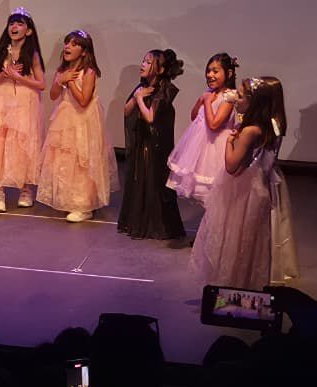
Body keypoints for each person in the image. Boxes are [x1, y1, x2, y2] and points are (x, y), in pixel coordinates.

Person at [191, 76, 299, 287]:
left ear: (254, 102)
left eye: (240, 96)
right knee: (253, 237)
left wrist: (230, 141)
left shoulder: (250, 131)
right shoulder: (275, 124)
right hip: (264, 183)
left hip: (244, 187)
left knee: (236, 235)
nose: (235, 99)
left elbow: (232, 166)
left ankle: (232, 281)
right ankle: (250, 281)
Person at [36, 30, 116, 222]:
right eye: (67, 43)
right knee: (65, 159)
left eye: (73, 44)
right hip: (65, 118)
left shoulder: (89, 72)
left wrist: (69, 82)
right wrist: (60, 80)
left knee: (82, 161)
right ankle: (68, 199)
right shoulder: (62, 71)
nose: (67, 47)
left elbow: (83, 100)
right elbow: (53, 95)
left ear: (84, 51)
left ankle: (83, 204)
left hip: (83, 120)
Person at [0, 7, 45, 212]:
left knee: (23, 144)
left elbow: (41, 84)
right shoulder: (1, 52)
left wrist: (18, 77)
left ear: (28, 31)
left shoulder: (32, 55)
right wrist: (5, 75)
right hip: (2, 102)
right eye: (12, 23)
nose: (14, 27)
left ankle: (25, 189)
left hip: (24, 103)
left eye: (20, 23)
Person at [117, 48, 186, 240]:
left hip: (157, 144)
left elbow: (150, 117)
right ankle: (140, 221)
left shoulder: (165, 89)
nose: (143, 65)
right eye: (143, 61)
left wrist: (140, 99)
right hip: (143, 141)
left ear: (160, 69)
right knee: (140, 179)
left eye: (148, 62)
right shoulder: (142, 86)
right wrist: (136, 96)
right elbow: (126, 111)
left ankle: (159, 225)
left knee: (155, 182)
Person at [166, 52, 239, 203]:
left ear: (229, 73)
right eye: (208, 71)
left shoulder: (229, 96)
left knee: (215, 192)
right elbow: (194, 117)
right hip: (201, 146)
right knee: (203, 193)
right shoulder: (210, 93)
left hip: (216, 147)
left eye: (215, 71)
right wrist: (201, 100)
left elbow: (214, 124)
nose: (210, 75)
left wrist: (207, 102)